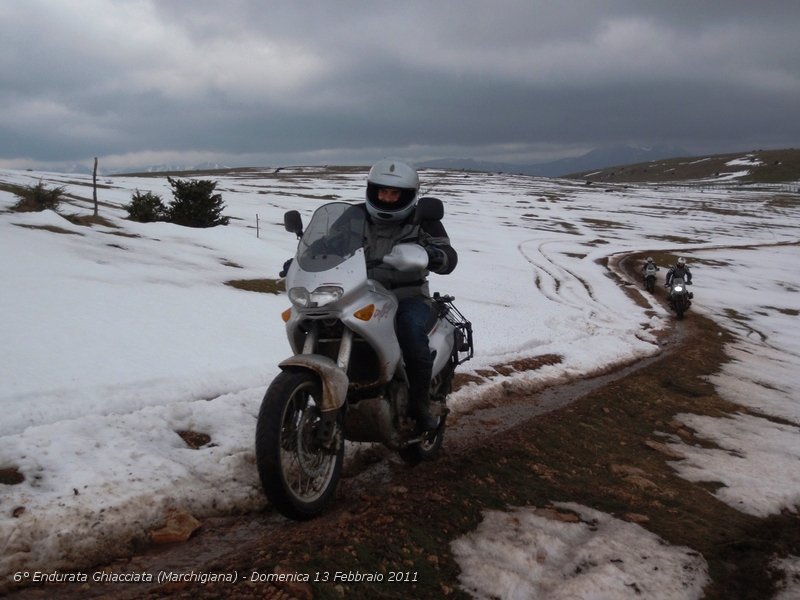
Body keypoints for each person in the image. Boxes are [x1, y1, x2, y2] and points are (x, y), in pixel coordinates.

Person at [362, 159, 458, 432]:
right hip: (362, 292)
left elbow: (449, 255)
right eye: (382, 192)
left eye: (395, 194)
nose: (388, 198)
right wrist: (300, 258)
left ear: (407, 196)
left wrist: (433, 255)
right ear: (373, 191)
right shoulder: (356, 217)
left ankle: (419, 405)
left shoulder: (423, 221)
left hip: (408, 296)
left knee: (410, 331)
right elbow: (329, 242)